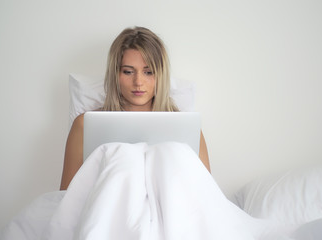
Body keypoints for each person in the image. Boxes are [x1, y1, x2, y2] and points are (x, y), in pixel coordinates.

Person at [60, 26, 210, 191]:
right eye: (128, 71)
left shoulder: (187, 127)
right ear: (115, 75)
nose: (138, 82)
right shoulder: (84, 125)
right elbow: (66, 196)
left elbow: (206, 193)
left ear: (161, 75)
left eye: (148, 72)